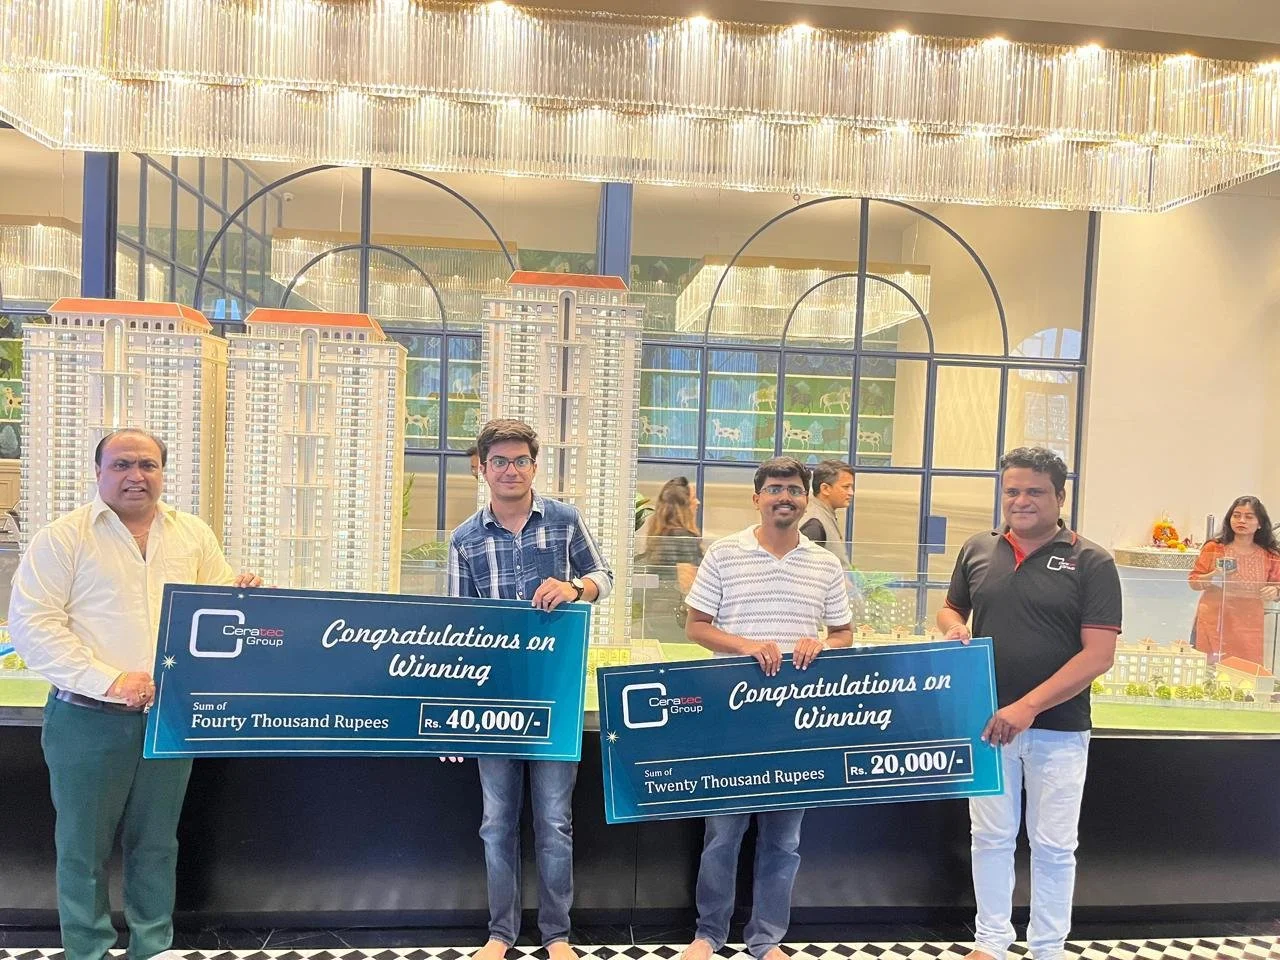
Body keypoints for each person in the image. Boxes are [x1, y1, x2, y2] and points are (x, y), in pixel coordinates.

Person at [8, 428, 262, 960]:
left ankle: (152, 947)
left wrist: (246, 599)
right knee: (83, 849)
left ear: (162, 473)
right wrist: (110, 680)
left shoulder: (191, 534)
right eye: (122, 464)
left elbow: (213, 609)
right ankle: (87, 951)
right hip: (87, 719)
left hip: (168, 720)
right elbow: (34, 627)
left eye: (148, 465)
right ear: (98, 471)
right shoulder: (63, 538)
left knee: (156, 845)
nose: (135, 476)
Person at [936, 447, 1121, 960]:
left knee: (1054, 846)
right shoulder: (978, 548)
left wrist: (1028, 707)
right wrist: (953, 628)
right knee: (989, 838)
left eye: (1035, 491)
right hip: (987, 723)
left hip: (1059, 729)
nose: (1021, 500)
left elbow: (1098, 655)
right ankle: (991, 942)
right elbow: (951, 607)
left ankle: (1047, 948)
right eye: (1012, 490)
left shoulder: (1092, 561)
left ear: (1060, 497)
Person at [447, 418, 613, 960]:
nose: (510, 470)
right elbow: (458, 626)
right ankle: (500, 934)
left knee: (555, 822)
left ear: (534, 466)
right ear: (483, 468)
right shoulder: (465, 539)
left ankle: (557, 935)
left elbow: (604, 578)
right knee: (496, 823)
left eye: (520, 460)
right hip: (493, 698)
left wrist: (574, 587)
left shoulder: (564, 520)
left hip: (555, 695)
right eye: (499, 461)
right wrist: (457, 711)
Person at [681, 456, 853, 960]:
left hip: (795, 721)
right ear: (757, 498)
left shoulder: (824, 563)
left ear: (806, 499)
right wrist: (746, 646)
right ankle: (708, 934)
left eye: (794, 490)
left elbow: (843, 633)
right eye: (775, 488)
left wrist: (824, 645)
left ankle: (766, 938)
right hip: (731, 718)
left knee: (784, 840)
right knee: (722, 833)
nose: (785, 497)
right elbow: (696, 626)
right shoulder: (724, 553)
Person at [1189, 496, 1280, 665]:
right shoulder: (1214, 548)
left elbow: (1277, 586)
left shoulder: (1270, 554)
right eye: (1236, 515)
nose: (1241, 521)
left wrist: (1275, 591)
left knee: (1244, 673)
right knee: (1209, 672)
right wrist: (1214, 574)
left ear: (1260, 524)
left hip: (1249, 624)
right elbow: (1194, 581)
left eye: (1249, 517)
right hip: (1214, 620)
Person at [637, 476, 703, 644]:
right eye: (693, 498)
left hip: (655, 618)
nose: (698, 502)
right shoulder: (682, 538)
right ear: (683, 507)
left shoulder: (659, 537)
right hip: (676, 624)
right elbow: (687, 584)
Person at [799, 459, 854, 564]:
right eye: (846, 487)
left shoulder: (823, 514)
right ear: (825, 489)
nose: (851, 493)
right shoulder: (814, 525)